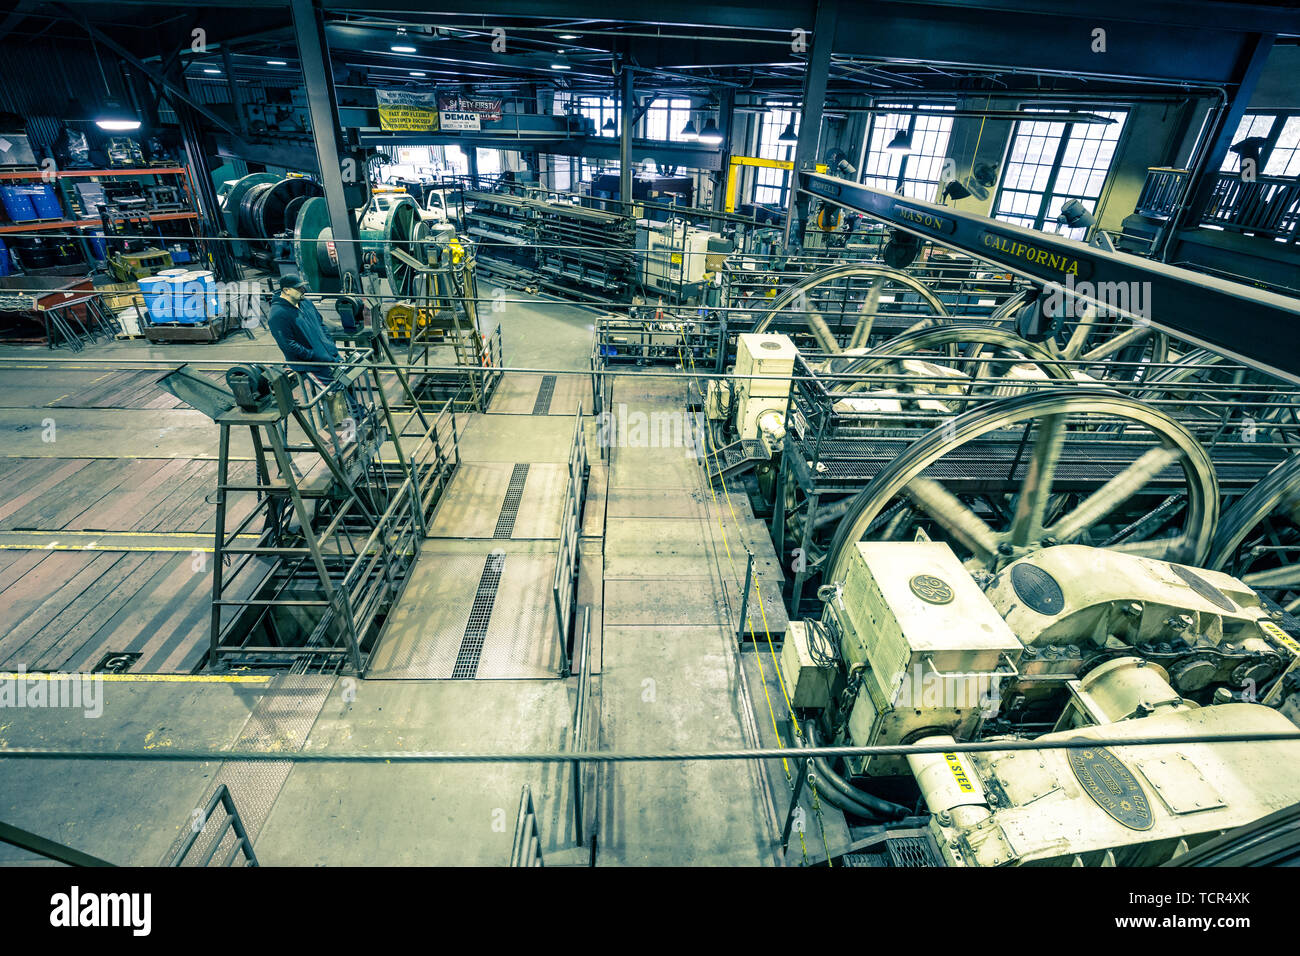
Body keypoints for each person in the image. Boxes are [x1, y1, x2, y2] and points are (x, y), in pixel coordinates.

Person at [266, 274, 341, 386]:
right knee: (334, 391)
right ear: (286, 290)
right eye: (298, 288)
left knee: (346, 382)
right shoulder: (278, 315)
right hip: (311, 364)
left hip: (330, 355)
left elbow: (321, 324)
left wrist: (329, 343)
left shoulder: (306, 303)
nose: (303, 290)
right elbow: (288, 344)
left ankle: (354, 405)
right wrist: (312, 355)